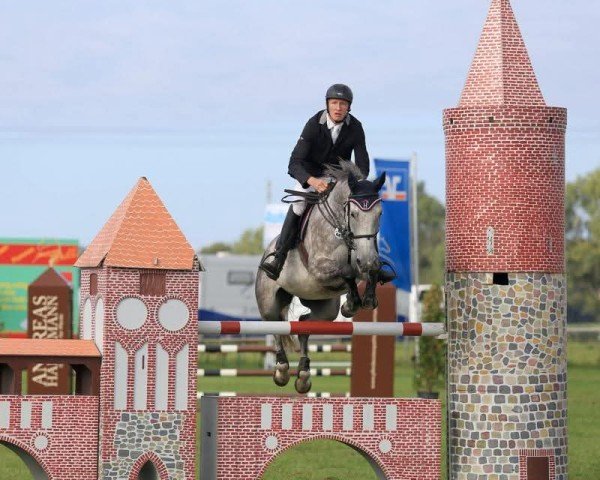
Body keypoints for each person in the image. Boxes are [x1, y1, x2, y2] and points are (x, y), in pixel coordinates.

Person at [259, 83, 370, 281]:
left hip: (339, 180)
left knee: (364, 209)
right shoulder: (313, 124)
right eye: (334, 103)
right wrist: (312, 181)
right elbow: (294, 163)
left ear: (349, 107)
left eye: (343, 104)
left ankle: (372, 260)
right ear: (327, 105)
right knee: (299, 205)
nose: (338, 108)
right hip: (311, 176)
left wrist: (358, 184)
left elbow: (363, 166)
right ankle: (279, 255)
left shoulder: (355, 127)